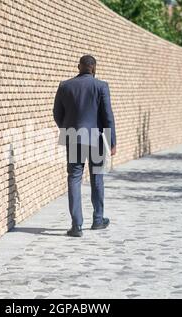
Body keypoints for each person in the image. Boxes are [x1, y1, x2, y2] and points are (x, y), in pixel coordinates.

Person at [53, 55, 116, 237]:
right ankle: (98, 219)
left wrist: (67, 129)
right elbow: (107, 116)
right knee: (97, 176)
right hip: (96, 138)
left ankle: (76, 225)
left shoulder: (65, 85)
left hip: (73, 137)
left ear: (78, 66)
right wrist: (112, 141)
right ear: (94, 68)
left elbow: (57, 113)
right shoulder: (101, 86)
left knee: (74, 177)